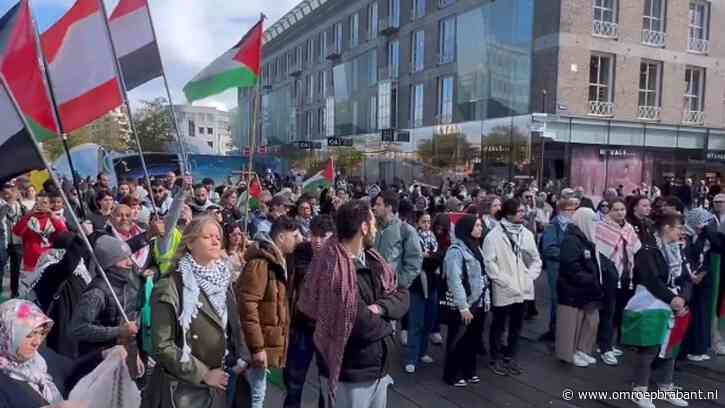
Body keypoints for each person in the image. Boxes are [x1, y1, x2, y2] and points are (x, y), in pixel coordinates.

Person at [297, 200, 408, 407]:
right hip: (349, 373)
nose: (376, 228)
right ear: (364, 227)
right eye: (373, 223)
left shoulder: (374, 259)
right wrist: (388, 327)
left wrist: (381, 308)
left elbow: (402, 293)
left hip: (377, 367)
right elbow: (358, 323)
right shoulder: (331, 269)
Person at [143, 216, 250, 408]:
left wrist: (241, 356)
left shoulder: (224, 279)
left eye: (218, 236)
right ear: (190, 243)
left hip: (222, 380)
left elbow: (232, 325)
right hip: (186, 389)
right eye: (208, 236)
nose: (216, 240)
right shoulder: (170, 286)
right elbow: (162, 344)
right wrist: (203, 374)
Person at [624, 213, 691, 408]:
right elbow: (651, 279)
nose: (682, 232)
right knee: (650, 346)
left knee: (671, 345)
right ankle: (640, 390)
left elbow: (686, 277)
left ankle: (666, 385)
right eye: (679, 227)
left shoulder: (678, 248)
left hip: (674, 302)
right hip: (651, 302)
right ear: (667, 228)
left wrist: (683, 299)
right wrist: (673, 299)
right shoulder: (647, 248)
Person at [237, 216, 302, 408]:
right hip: (256, 346)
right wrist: (257, 348)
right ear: (282, 237)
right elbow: (248, 305)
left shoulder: (276, 261)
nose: (298, 240)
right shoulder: (261, 263)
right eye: (294, 236)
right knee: (254, 396)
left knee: (256, 393)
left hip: (263, 343)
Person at [0, 299, 110, 408]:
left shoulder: (41, 356)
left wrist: (103, 355)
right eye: (30, 335)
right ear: (8, 336)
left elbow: (71, 371)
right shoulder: (3, 381)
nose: (37, 342)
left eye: (42, 333)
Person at [483, 198, 542, 376]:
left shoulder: (527, 234)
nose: (524, 214)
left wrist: (529, 277)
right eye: (520, 211)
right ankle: (495, 358)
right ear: (509, 213)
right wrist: (505, 281)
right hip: (504, 288)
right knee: (499, 324)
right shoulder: (493, 236)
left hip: (523, 288)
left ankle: (510, 356)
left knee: (517, 325)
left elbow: (536, 259)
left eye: (524, 211)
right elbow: (489, 263)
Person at [283, 215, 336, 408]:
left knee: (326, 382)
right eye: (314, 235)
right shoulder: (301, 252)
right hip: (302, 326)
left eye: (323, 236)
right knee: (294, 381)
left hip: (327, 330)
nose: (317, 240)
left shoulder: (340, 257)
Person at [70, 235, 142, 357]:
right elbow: (78, 329)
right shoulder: (97, 293)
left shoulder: (128, 281)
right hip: (98, 357)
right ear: (109, 263)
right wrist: (119, 332)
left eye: (129, 256)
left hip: (125, 351)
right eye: (123, 258)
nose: (130, 262)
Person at [442, 215, 487, 386]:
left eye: (480, 225)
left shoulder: (476, 247)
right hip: (465, 303)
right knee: (458, 338)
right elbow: (454, 279)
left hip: (479, 301)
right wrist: (463, 307)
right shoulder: (456, 250)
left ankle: (469, 370)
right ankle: (452, 374)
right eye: (476, 226)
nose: (480, 228)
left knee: (473, 339)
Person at [555, 207, 604, 367]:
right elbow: (570, 265)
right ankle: (568, 353)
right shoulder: (572, 240)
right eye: (592, 221)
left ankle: (582, 349)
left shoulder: (585, 238)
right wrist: (589, 278)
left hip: (586, 289)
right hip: (573, 289)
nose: (594, 224)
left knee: (588, 321)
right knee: (570, 324)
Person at [595, 198, 640, 365]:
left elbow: (636, 247)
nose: (620, 212)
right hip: (609, 275)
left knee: (616, 312)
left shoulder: (628, 228)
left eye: (622, 209)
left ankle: (607, 344)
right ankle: (605, 348)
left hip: (626, 275)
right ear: (609, 211)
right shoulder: (602, 227)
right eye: (616, 209)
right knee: (608, 311)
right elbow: (601, 252)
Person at [403, 208, 439, 374]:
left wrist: (430, 258)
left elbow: (435, 257)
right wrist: (428, 258)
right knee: (416, 322)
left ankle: (423, 351)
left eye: (428, 221)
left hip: (432, 282)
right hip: (417, 284)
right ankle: (411, 357)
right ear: (417, 222)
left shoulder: (432, 237)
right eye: (423, 221)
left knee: (429, 320)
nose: (427, 224)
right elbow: (416, 259)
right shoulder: (413, 238)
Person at [13, 192, 67, 295]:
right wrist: (28, 215)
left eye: (44, 203)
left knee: (44, 293)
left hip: (47, 262)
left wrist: (52, 216)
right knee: (27, 294)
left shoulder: (56, 218)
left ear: (50, 205)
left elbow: (64, 234)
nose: (40, 205)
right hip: (30, 263)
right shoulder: (29, 218)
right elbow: (17, 232)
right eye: (37, 202)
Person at [539, 198, 578, 342]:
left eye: (574, 209)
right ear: (561, 211)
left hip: (570, 269)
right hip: (556, 269)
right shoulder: (553, 226)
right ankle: (554, 330)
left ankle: (565, 330)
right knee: (556, 298)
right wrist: (568, 255)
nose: (573, 212)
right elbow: (549, 249)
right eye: (570, 210)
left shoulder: (573, 226)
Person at [374, 191, 423, 289]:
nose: (374, 207)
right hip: (373, 288)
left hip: (392, 291)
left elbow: (414, 263)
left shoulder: (406, 230)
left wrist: (399, 283)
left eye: (378, 204)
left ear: (389, 208)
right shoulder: (373, 228)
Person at [0, 183, 24, 299]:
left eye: (11, 191)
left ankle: (14, 291)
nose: (8, 194)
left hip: (17, 241)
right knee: (1, 266)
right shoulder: (1, 204)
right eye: (6, 192)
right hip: (3, 241)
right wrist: (8, 204)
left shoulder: (20, 205)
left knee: (16, 268)